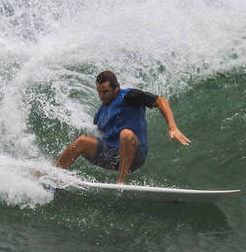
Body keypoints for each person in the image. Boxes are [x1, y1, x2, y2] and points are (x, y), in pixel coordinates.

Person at [54, 70, 191, 183]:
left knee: (126, 134)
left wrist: (173, 127)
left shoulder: (130, 96)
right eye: (99, 92)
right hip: (111, 156)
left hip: (135, 155)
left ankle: (121, 181)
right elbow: (98, 132)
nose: (102, 96)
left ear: (116, 88)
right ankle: (54, 176)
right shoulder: (101, 111)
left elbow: (161, 101)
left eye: (106, 92)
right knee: (81, 141)